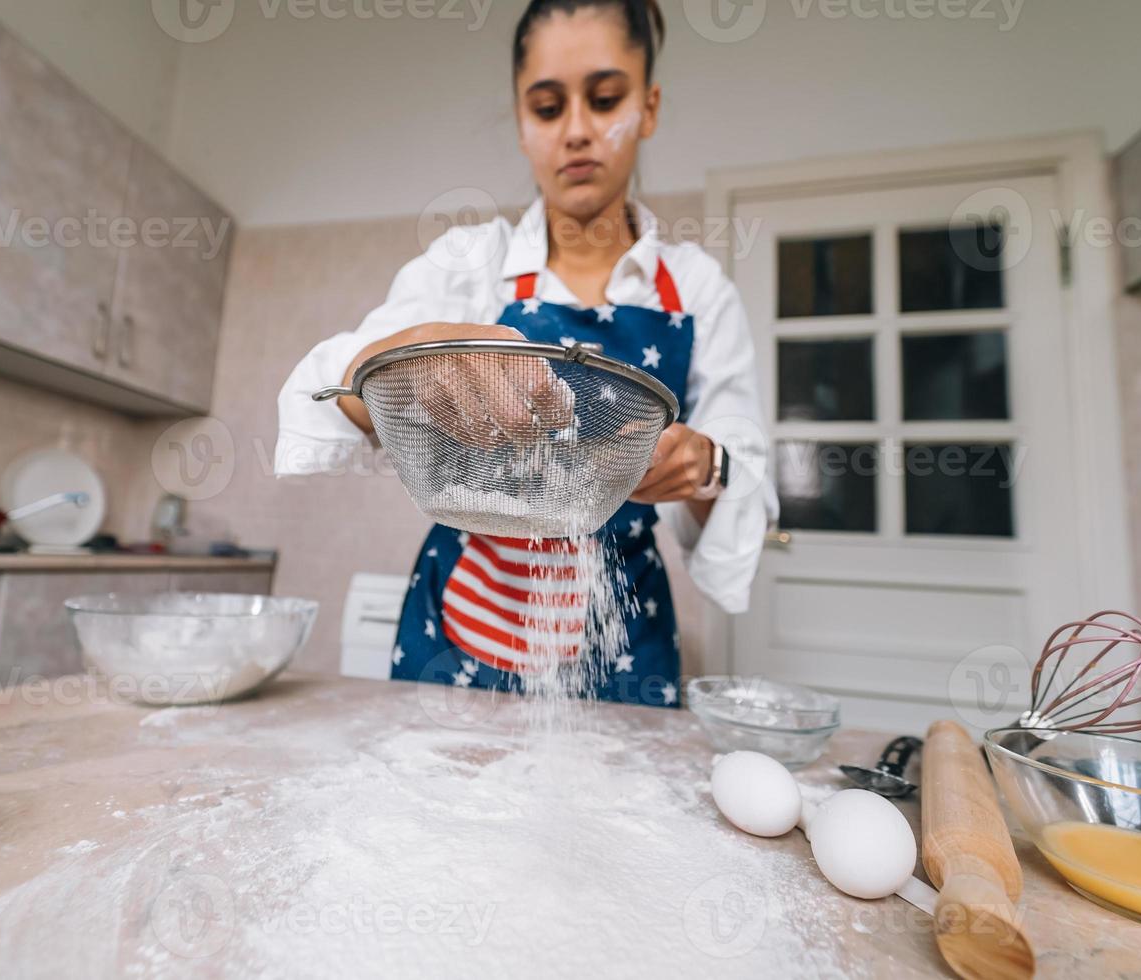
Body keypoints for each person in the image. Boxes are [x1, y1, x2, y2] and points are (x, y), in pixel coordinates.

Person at [276, 0, 777, 707]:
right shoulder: (466, 266)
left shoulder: (696, 289)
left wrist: (705, 466)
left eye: (605, 101)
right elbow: (329, 393)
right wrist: (405, 358)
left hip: (620, 634)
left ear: (649, 106)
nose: (576, 131)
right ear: (520, 121)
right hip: (456, 626)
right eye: (546, 108)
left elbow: (743, 474)